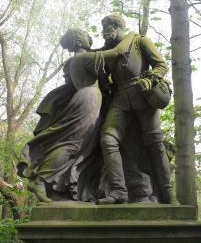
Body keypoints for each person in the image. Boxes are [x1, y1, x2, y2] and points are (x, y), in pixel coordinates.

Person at [17, 28, 125, 203]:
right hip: (88, 100)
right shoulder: (83, 58)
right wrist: (132, 39)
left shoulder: (77, 59)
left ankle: (53, 181)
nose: (88, 36)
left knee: (80, 147)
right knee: (71, 144)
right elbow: (116, 53)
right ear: (76, 41)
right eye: (83, 35)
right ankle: (40, 179)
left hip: (90, 99)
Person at [96, 14, 175, 205]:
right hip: (120, 100)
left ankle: (168, 194)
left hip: (144, 96)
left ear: (117, 27)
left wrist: (150, 79)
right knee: (108, 140)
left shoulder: (140, 41)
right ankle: (118, 192)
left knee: (155, 143)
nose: (105, 32)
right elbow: (102, 72)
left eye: (108, 27)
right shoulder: (109, 50)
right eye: (104, 28)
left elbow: (162, 65)